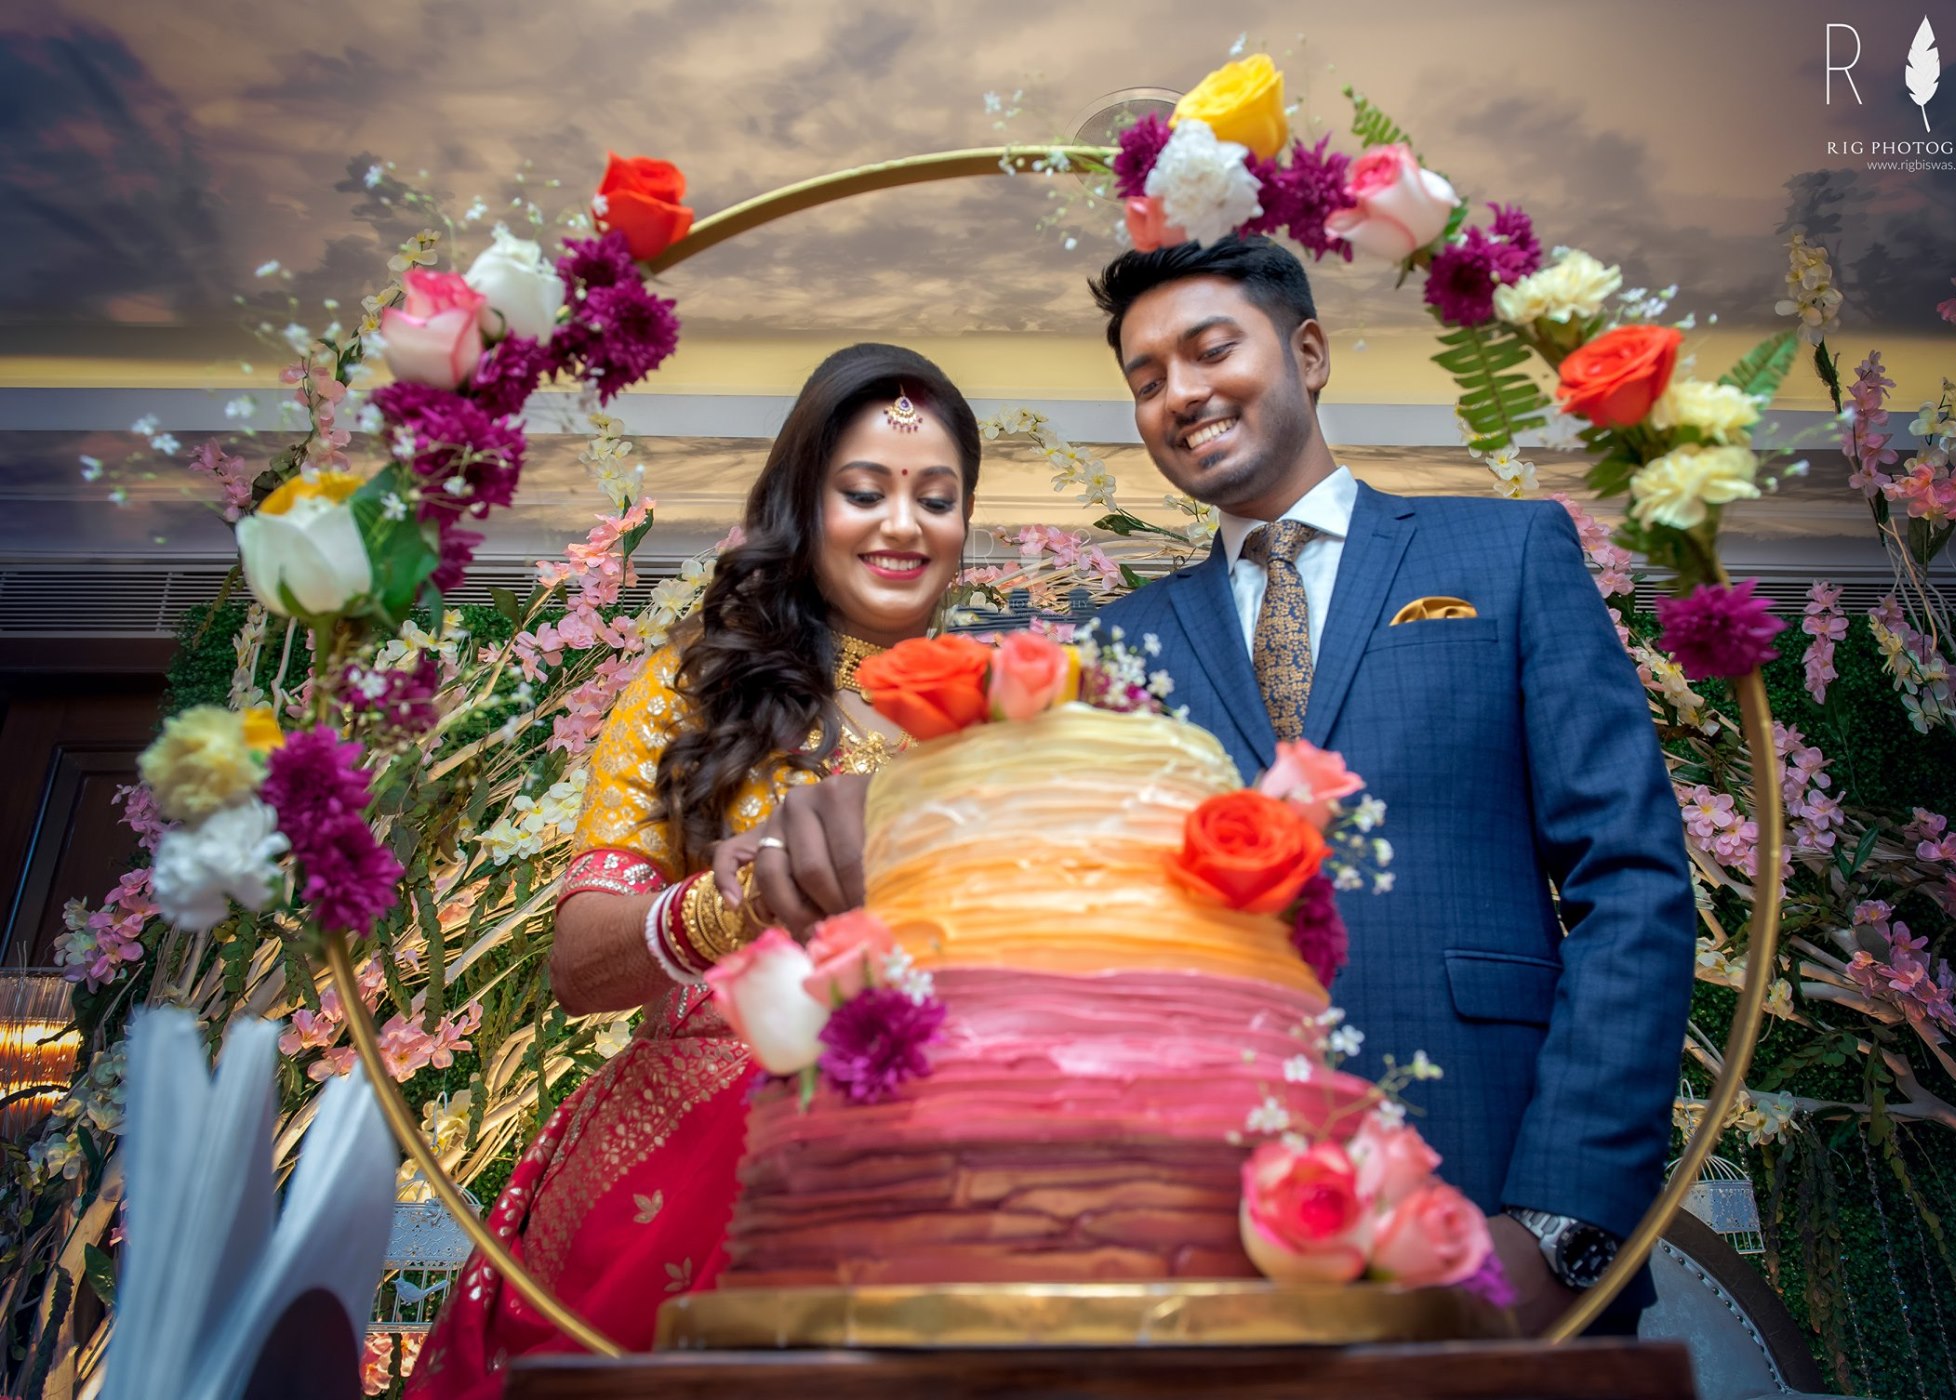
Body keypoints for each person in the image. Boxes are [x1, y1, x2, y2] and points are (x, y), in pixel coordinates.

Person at [754, 240, 1694, 1335]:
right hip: (1201, 1240)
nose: (1179, 394)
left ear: (1308, 350)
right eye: (1144, 380)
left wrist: (1561, 1224)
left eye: (1208, 350)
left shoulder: (1504, 552)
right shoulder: (1116, 646)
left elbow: (1628, 880)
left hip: (1484, 1173)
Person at [408, 343, 978, 1397]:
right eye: (865, 491)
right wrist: (731, 904)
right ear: (804, 505)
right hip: (698, 1154)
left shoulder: (1006, 719)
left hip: (956, 1164)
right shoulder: (695, 688)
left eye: (935, 498)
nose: (903, 524)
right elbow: (580, 965)